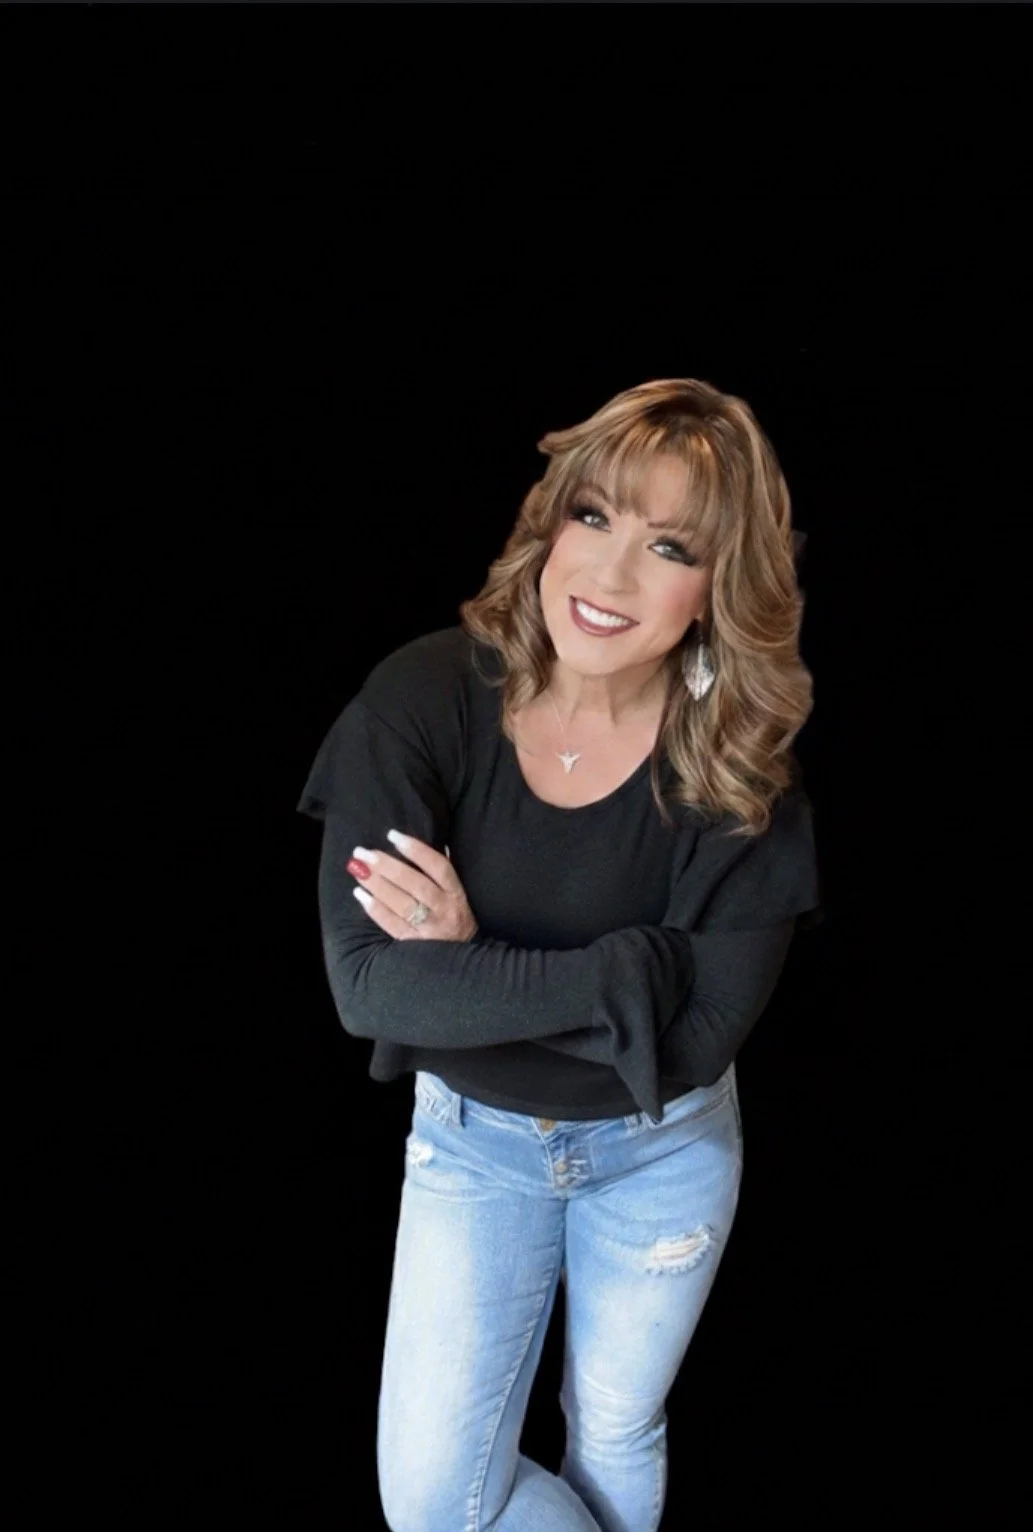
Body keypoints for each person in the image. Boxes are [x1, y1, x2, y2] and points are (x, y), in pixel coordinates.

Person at [297, 377, 823, 1532]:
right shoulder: (425, 694)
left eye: (669, 544)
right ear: (549, 519)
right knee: (435, 1497)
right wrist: (623, 973)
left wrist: (467, 960)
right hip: (471, 1145)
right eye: (593, 516)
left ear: (715, 591)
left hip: (661, 1155)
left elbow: (688, 1044)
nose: (611, 574)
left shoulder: (738, 767)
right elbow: (367, 983)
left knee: (615, 1427)